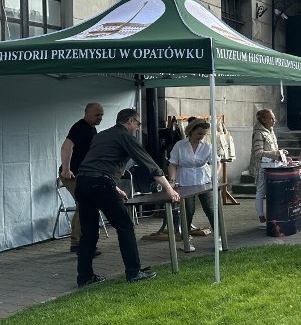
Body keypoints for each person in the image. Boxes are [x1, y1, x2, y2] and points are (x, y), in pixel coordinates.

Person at [75, 108, 179, 286]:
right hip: (100, 184)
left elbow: (96, 164)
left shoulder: (102, 135)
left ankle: (84, 277)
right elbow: (148, 162)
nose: (137, 128)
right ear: (130, 121)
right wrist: (169, 189)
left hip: (83, 184)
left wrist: (114, 188)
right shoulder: (124, 136)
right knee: (125, 226)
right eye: (137, 124)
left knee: (89, 233)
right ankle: (134, 272)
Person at [59, 102, 104, 255]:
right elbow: (66, 146)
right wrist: (66, 169)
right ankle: (77, 243)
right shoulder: (80, 127)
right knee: (85, 204)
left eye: (101, 115)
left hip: (83, 174)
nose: (100, 118)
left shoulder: (91, 128)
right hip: (73, 174)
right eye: (97, 115)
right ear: (87, 113)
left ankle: (81, 242)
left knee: (86, 205)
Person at [168, 118, 218, 253]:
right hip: (185, 181)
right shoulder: (180, 145)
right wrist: (171, 181)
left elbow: (216, 162)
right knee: (187, 211)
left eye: (203, 134)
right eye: (199, 133)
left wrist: (215, 175)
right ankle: (185, 240)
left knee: (211, 210)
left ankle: (218, 238)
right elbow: (173, 163)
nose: (201, 137)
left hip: (204, 180)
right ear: (191, 131)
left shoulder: (208, 146)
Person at [250, 109, 287, 225]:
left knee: (270, 192)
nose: (274, 120)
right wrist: (276, 155)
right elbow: (258, 153)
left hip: (272, 167)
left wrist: (280, 153)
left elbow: (272, 149)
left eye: (274, 117)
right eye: (271, 118)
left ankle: (272, 215)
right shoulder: (258, 133)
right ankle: (261, 218)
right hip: (262, 167)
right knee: (261, 191)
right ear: (263, 120)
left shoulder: (270, 131)